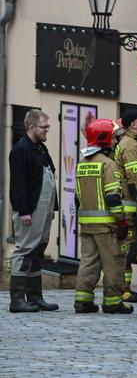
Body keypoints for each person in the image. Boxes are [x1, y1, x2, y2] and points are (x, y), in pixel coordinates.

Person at [73, 119, 132, 315]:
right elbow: (113, 197)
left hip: (87, 225)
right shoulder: (108, 165)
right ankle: (113, 302)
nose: (116, 142)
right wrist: (122, 222)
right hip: (107, 227)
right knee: (113, 262)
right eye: (114, 139)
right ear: (105, 140)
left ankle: (83, 301)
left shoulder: (82, 164)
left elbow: (77, 197)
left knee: (88, 262)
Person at [8, 108, 59, 313]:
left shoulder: (40, 147)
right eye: (44, 127)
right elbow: (18, 184)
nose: (47, 130)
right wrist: (24, 211)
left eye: (48, 126)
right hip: (30, 209)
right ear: (31, 128)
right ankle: (17, 300)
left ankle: (35, 297)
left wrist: (52, 208)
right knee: (25, 250)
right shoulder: (21, 150)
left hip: (44, 209)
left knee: (37, 251)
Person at [114, 108, 137, 301]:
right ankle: (122, 290)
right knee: (126, 251)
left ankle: (124, 288)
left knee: (130, 250)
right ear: (133, 124)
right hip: (130, 208)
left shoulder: (135, 143)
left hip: (131, 207)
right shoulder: (131, 147)